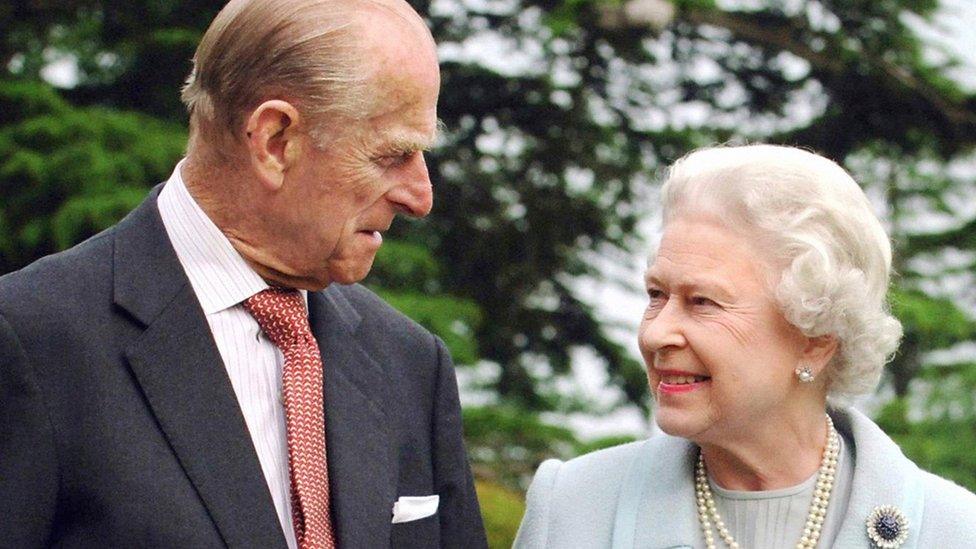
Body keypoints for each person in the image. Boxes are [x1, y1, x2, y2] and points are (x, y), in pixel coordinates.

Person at [0, 0, 487, 547]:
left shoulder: (411, 363)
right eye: (392, 154)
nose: (420, 197)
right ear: (276, 140)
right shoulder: (29, 340)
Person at [514, 144, 976, 548]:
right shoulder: (573, 507)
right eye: (656, 295)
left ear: (815, 340)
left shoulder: (953, 531)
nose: (656, 334)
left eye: (703, 302)